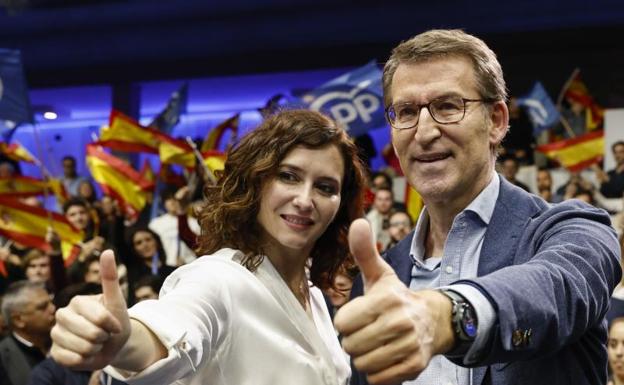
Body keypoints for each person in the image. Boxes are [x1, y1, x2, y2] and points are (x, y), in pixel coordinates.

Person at [335, 29, 621, 385]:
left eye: (448, 106)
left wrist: (448, 318)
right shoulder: (379, 280)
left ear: (497, 121)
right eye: (406, 111)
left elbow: (552, 294)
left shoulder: (574, 231)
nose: (424, 132)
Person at [49, 109, 367, 385]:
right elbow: (176, 327)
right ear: (255, 182)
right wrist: (123, 342)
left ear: (339, 204)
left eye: (325, 187)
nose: (305, 200)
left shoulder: (313, 294)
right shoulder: (219, 278)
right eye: (288, 176)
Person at [0, 281, 56, 385]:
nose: (53, 309)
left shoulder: (63, 338)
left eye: (51, 302)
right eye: (43, 307)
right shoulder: (3, 359)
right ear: (18, 320)